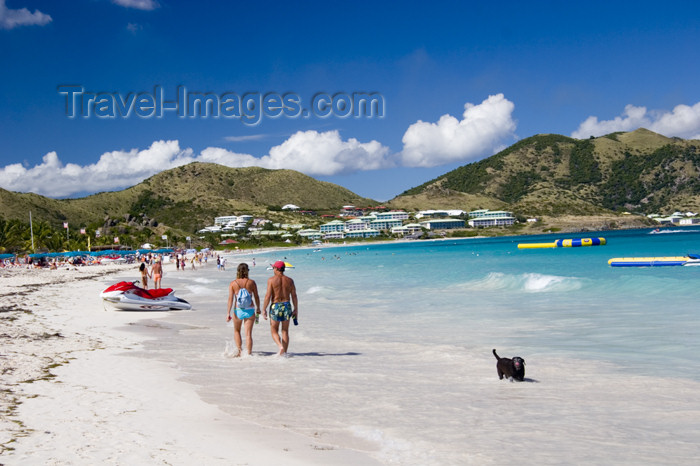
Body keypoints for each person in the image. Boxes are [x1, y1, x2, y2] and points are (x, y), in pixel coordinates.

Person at [262, 260, 298, 356]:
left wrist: (263, 309)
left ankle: (280, 346)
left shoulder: (271, 280)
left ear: (277, 269)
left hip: (276, 306)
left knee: (274, 330)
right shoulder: (290, 280)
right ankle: (284, 354)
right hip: (287, 305)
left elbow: (267, 296)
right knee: (285, 331)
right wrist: (296, 309)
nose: (273, 269)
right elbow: (294, 296)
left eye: (274, 267)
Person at [226, 263, 261, 357]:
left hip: (238, 310)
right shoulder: (251, 282)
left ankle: (240, 351)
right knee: (248, 334)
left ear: (237, 271)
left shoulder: (233, 283)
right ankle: (248, 354)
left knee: (237, 331)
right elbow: (256, 296)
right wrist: (258, 308)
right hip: (250, 309)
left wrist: (228, 313)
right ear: (247, 271)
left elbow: (230, 299)